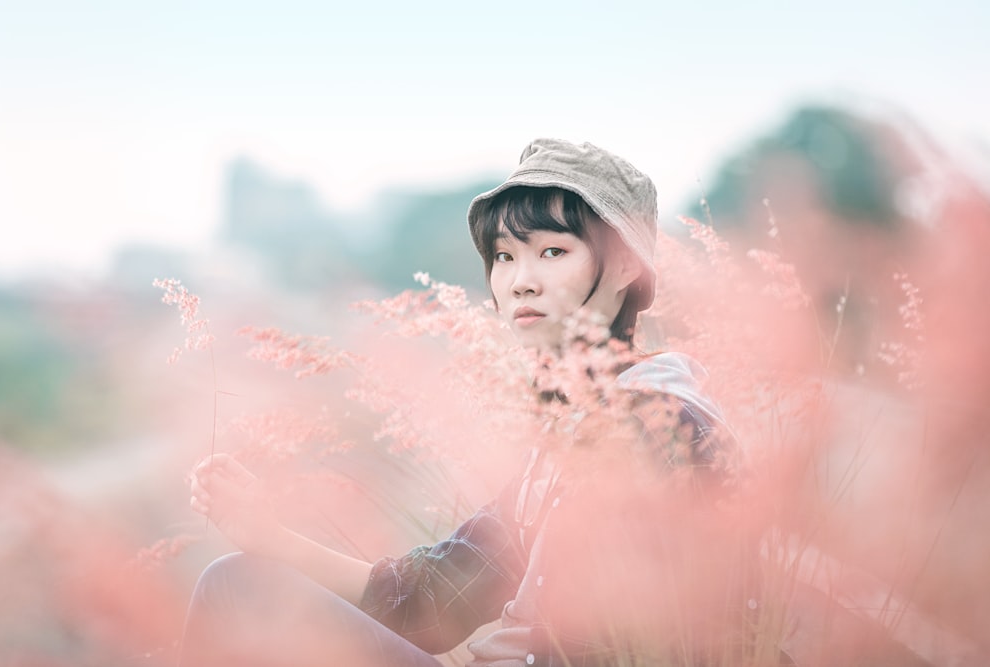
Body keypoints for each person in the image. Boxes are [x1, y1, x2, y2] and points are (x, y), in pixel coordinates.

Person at [178, 138, 748, 667]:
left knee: (234, 590)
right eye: (504, 257)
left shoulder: (655, 424)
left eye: (552, 251)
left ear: (626, 264)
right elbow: (425, 606)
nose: (521, 281)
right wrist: (268, 534)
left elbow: (657, 641)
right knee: (242, 580)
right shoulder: (567, 436)